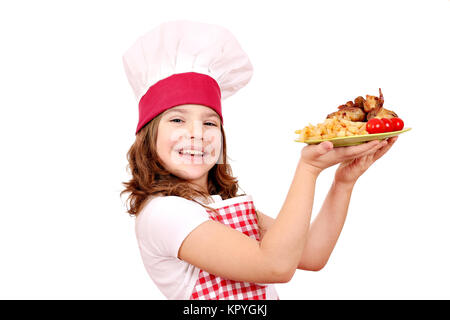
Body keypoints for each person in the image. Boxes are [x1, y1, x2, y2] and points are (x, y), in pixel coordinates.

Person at [120, 20, 398, 300]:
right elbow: (276, 266)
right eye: (177, 119)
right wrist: (309, 168)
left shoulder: (218, 207)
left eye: (210, 123)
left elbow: (312, 254)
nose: (196, 134)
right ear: (148, 137)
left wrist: (343, 181)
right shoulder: (163, 213)